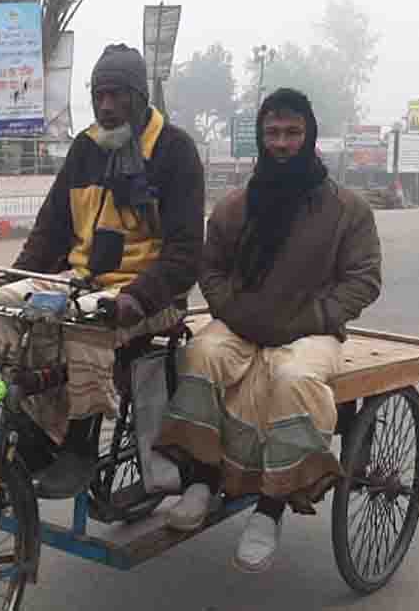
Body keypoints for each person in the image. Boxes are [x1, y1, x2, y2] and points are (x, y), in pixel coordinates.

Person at [149, 88, 382, 573]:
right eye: (272, 133)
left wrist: (308, 319)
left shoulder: (347, 210)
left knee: (292, 381)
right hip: (242, 324)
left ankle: (271, 509)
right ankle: (200, 478)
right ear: (260, 137)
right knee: (201, 357)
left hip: (311, 332)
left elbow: (363, 281)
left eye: (291, 132)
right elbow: (208, 267)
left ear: (309, 135)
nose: (281, 143)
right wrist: (232, 309)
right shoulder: (236, 206)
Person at [0, 44, 205, 498]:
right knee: (6, 308)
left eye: (117, 95)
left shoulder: (175, 151)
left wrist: (137, 297)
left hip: (148, 297)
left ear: (140, 98)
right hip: (82, 282)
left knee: (84, 325)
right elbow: (50, 232)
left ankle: (81, 447)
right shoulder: (85, 148)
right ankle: (33, 427)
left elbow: (185, 254)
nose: (106, 105)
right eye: (99, 94)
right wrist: (12, 280)